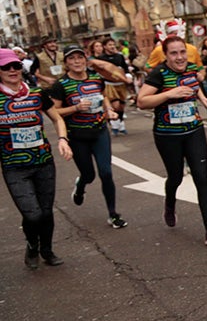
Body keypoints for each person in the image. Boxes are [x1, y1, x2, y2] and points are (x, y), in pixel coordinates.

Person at [136, 35, 207, 246]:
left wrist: (203, 99)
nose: (179, 57)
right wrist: (169, 94)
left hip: (194, 130)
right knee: (175, 177)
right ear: (166, 56)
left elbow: (194, 86)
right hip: (168, 135)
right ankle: (170, 203)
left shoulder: (192, 68)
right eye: (174, 53)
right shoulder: (159, 74)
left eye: (182, 52)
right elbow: (142, 101)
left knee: (201, 177)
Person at [0, 47, 74, 268]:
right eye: (6, 67)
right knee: (32, 214)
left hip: (43, 162)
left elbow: (57, 118)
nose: (13, 70)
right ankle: (32, 245)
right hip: (14, 166)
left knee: (46, 211)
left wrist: (62, 139)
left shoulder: (36, 93)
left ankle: (47, 250)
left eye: (16, 66)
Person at [48, 44, 129, 229]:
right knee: (89, 174)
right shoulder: (61, 85)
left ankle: (113, 214)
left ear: (86, 59)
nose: (76, 61)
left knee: (106, 173)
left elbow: (102, 96)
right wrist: (75, 108)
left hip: (99, 131)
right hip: (77, 136)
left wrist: (109, 110)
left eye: (80, 57)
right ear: (66, 63)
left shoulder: (95, 78)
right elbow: (54, 112)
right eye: (71, 58)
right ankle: (81, 184)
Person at [101, 38, 132, 136]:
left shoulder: (119, 56)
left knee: (121, 106)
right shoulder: (101, 58)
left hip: (120, 84)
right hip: (109, 84)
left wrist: (128, 76)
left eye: (113, 44)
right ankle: (114, 124)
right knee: (115, 105)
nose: (112, 46)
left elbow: (125, 68)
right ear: (105, 46)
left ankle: (121, 124)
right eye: (109, 44)